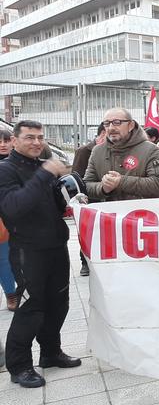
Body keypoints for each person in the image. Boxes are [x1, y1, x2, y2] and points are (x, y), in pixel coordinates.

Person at [0, 120, 82, 388]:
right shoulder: (5, 170)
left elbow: (51, 204)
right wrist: (46, 174)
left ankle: (50, 352)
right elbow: (14, 207)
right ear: (14, 140)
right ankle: (19, 366)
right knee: (31, 308)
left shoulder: (41, 168)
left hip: (56, 246)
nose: (36, 142)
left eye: (40, 137)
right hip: (27, 250)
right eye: (29, 137)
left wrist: (72, 194)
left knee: (59, 303)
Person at [83, 108, 159, 201]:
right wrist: (103, 188)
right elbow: (87, 185)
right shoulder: (97, 151)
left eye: (117, 122)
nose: (111, 128)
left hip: (141, 213)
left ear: (131, 125)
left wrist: (121, 182)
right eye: (107, 124)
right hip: (109, 214)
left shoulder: (150, 149)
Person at [71, 123, 106, 276]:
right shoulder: (84, 151)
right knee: (88, 233)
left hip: (108, 199)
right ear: (103, 133)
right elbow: (77, 176)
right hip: (91, 199)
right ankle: (84, 261)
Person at [0, 127, 17, 310]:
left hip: (19, 215)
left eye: (6, 141)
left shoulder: (20, 161)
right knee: (3, 258)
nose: (3, 145)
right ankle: (10, 294)